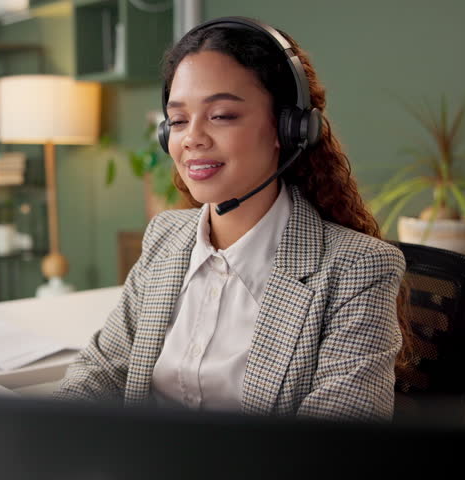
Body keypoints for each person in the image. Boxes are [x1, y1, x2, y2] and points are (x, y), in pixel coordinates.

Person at [54, 17, 411, 421]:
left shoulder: (358, 269)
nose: (192, 138)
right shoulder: (166, 236)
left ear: (288, 128)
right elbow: (102, 370)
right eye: (178, 120)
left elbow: (332, 450)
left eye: (221, 115)